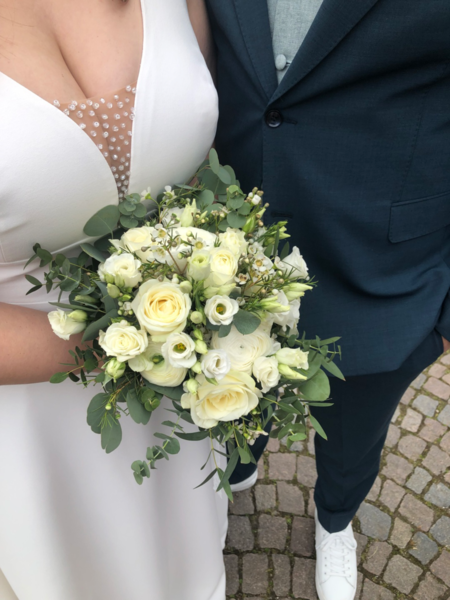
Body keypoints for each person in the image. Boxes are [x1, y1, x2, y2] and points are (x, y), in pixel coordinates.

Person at [206, 1, 450, 599]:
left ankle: (335, 518)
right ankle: (241, 462)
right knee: (231, 387)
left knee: (354, 432)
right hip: (231, 252)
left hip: (383, 272)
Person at [0, 1, 228, 599]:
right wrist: (135, 348)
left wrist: (218, 288)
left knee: (179, 550)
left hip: (179, 384)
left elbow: (200, 167)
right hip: (25, 419)